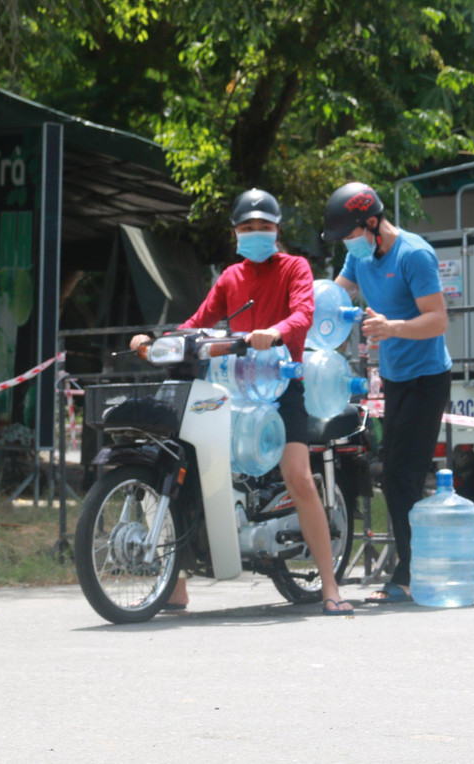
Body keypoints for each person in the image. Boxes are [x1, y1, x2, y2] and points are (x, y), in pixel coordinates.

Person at [130, 188, 353, 616]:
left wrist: (276, 331)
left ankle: (330, 587)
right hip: (233, 385)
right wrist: (156, 341)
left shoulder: (294, 267)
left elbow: (303, 314)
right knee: (179, 468)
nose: (255, 233)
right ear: (235, 232)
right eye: (247, 227)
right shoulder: (230, 277)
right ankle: (173, 586)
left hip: (282, 383)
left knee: (298, 476)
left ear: (277, 230)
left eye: (263, 226)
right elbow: (197, 323)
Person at [322, 181, 451, 603]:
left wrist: (391, 327)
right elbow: (337, 293)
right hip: (395, 378)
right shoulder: (359, 255)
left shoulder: (414, 255)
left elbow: (438, 320)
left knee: (401, 474)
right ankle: (422, 564)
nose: (348, 242)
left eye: (350, 233)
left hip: (427, 378)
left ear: (373, 223)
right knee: (394, 473)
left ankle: (410, 575)